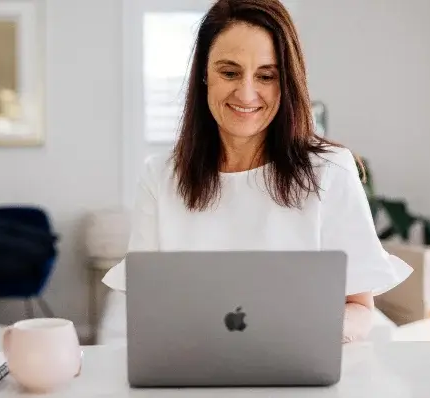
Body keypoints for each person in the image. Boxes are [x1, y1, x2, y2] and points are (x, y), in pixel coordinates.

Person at [103, 0, 412, 343]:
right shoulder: (160, 176)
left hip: (299, 368)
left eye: (266, 76)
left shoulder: (331, 171)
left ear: (287, 81)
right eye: (229, 72)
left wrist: (309, 335)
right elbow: (147, 306)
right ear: (204, 74)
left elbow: (359, 307)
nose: (246, 93)